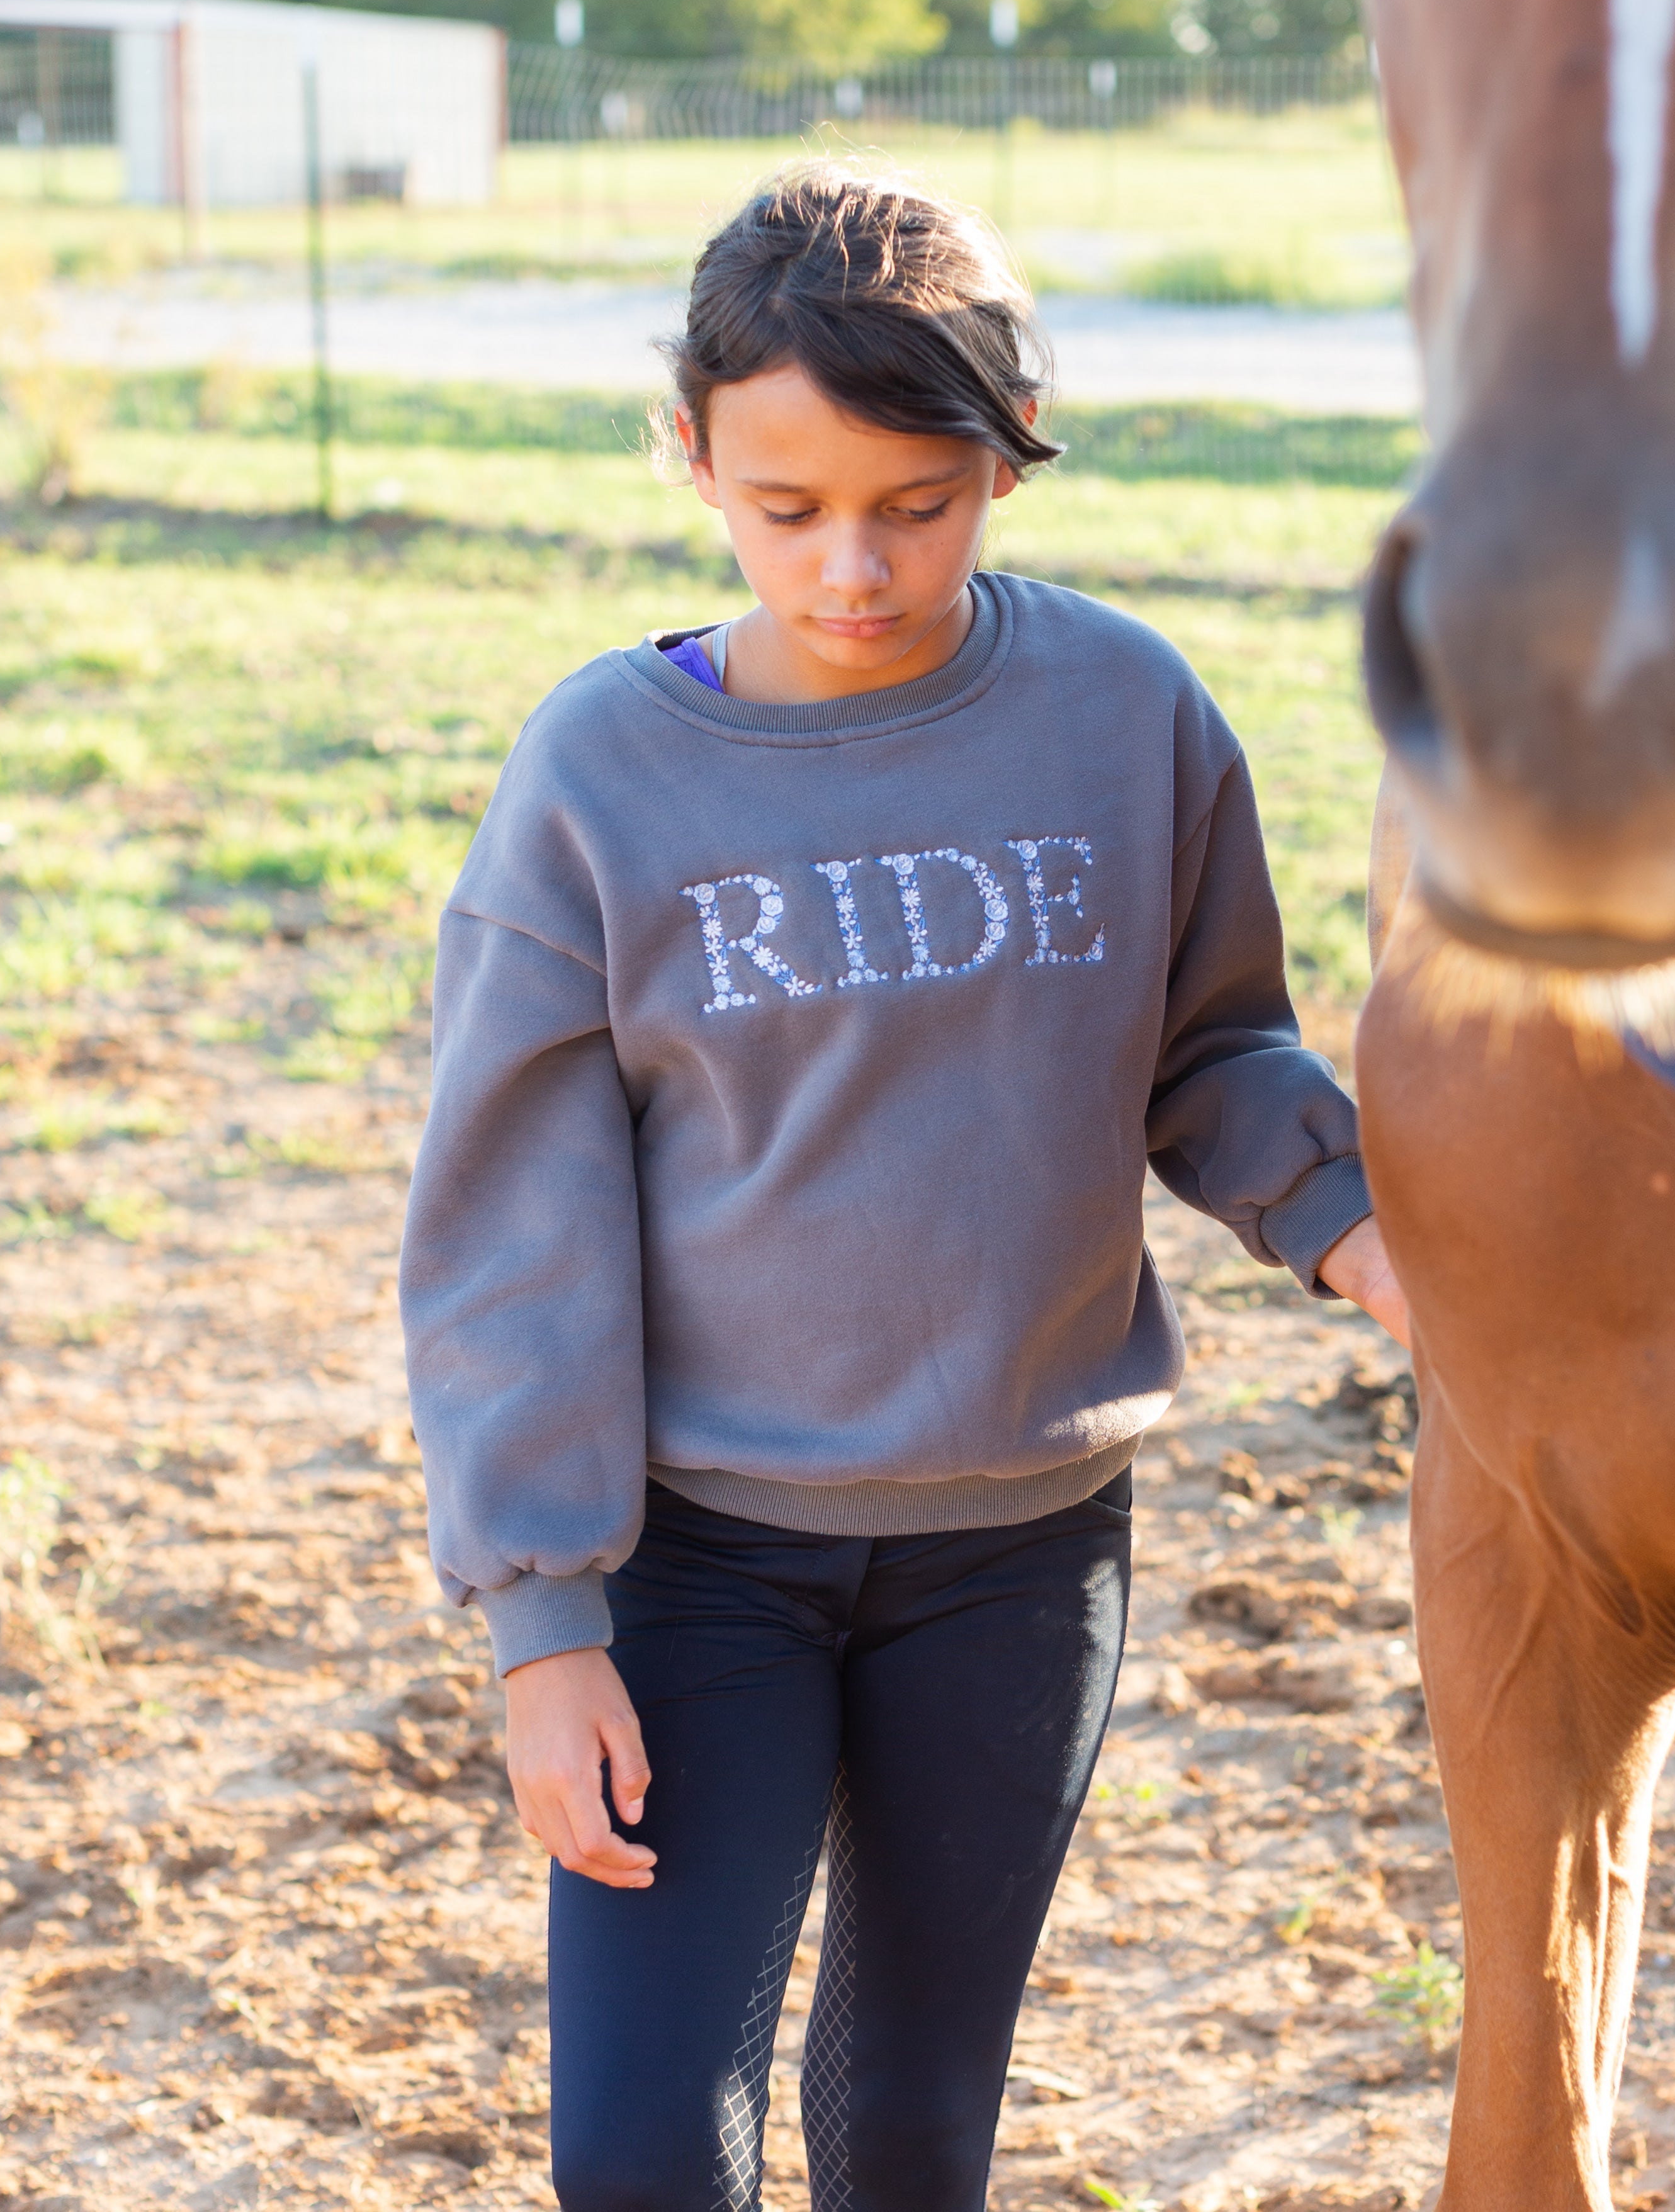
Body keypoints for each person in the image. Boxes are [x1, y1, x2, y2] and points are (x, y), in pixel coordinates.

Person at [399, 169, 1408, 2212]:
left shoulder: (1127, 713)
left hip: (1024, 1559)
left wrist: (1362, 1228)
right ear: (687, 451)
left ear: (1007, 460)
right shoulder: (599, 776)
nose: (853, 566)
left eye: (916, 503)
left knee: (917, 2136)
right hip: (693, 1568)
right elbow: (516, 1223)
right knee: (643, 2159)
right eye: (786, 511)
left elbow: (1209, 1050)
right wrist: (543, 1621)